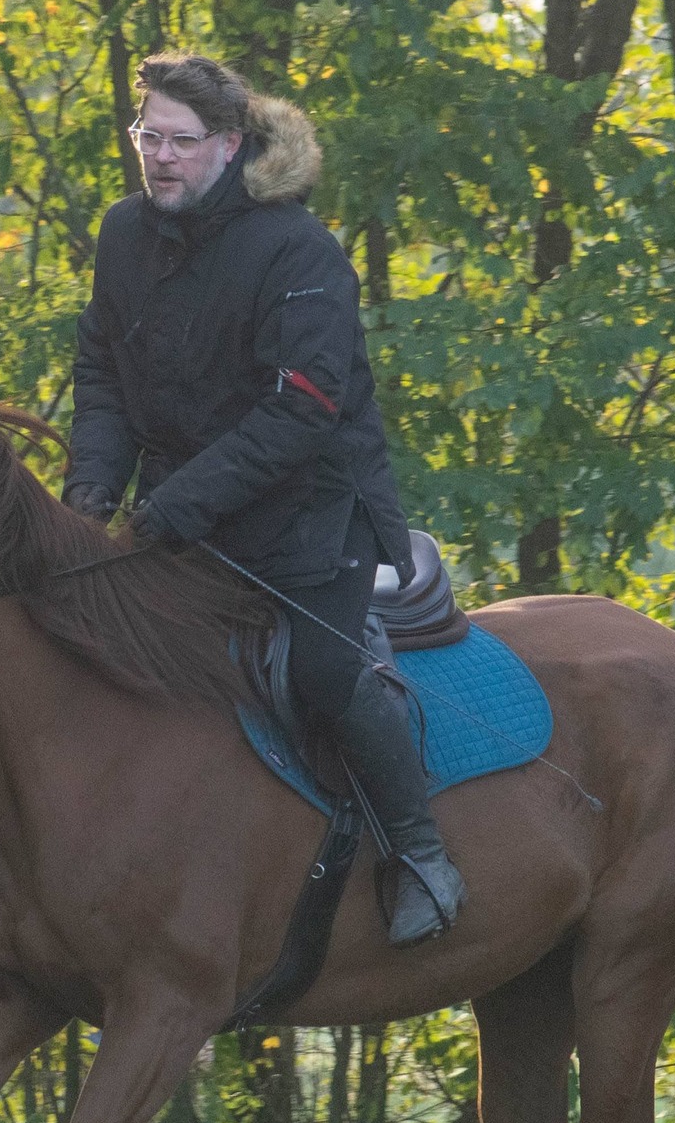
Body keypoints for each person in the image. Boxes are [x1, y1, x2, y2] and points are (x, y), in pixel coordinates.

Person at [64, 52, 466, 946]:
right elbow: (103, 370)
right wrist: (92, 487)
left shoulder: (298, 251)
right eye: (147, 137)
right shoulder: (123, 234)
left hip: (313, 518)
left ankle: (421, 851)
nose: (158, 157)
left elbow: (304, 412)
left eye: (179, 141)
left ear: (230, 144)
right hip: (184, 513)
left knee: (323, 672)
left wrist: (174, 507)